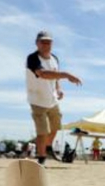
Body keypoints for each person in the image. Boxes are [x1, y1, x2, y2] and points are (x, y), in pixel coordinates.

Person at [26, 30, 82, 165]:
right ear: (37, 43)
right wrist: (67, 75)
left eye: (48, 42)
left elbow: (55, 75)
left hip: (52, 100)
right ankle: (42, 159)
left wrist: (58, 89)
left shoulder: (54, 58)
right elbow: (43, 74)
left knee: (56, 126)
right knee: (42, 132)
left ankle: (48, 147)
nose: (46, 45)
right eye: (43, 42)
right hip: (37, 100)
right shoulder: (32, 58)